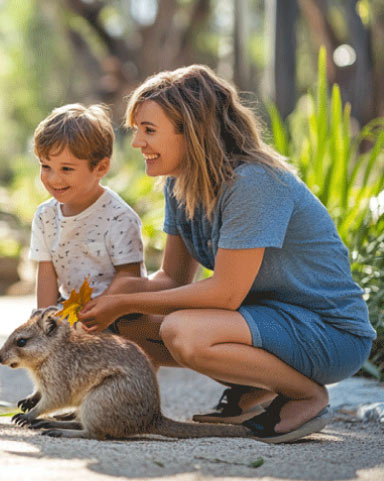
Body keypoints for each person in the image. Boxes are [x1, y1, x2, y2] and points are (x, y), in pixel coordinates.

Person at [77, 65, 376, 444]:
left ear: (193, 130)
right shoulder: (180, 184)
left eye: (149, 130)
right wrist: (104, 294)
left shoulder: (254, 183)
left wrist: (122, 300)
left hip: (327, 332)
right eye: (137, 129)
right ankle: (253, 389)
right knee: (130, 324)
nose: (137, 143)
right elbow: (171, 280)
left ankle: (306, 394)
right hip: (262, 322)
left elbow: (225, 294)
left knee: (183, 333)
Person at [29, 103, 146, 318]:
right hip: (69, 310)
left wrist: (98, 312)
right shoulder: (45, 216)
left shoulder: (119, 217)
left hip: (117, 312)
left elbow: (129, 277)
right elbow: (46, 273)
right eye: (46, 166)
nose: (53, 178)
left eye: (66, 169)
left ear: (100, 168)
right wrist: (44, 322)